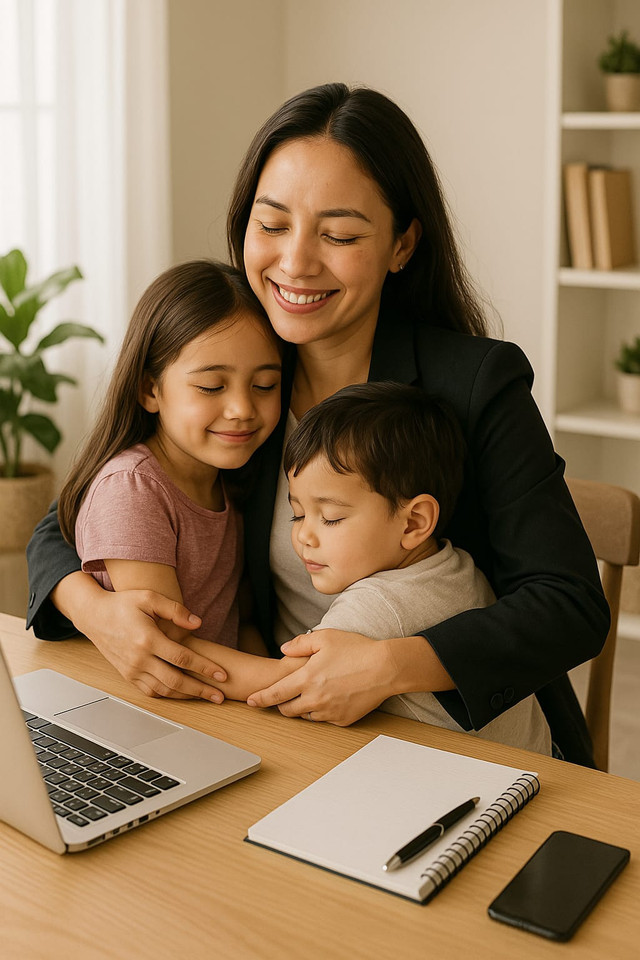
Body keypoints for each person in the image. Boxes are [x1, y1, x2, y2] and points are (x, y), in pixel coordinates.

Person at [27, 83, 608, 765]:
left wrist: (388, 666)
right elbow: (83, 505)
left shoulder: (474, 382)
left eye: (337, 234)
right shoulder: (246, 374)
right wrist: (97, 612)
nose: (296, 262)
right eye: (272, 225)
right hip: (294, 736)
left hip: (461, 747)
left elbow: (569, 605)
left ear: (402, 244)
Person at [56, 259, 303, 701]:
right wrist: (300, 682)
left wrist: (273, 683)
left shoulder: (232, 479)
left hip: (218, 703)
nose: (242, 409)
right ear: (150, 390)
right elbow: (169, 646)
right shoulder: (132, 489)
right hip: (148, 707)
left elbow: (241, 619)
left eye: (265, 385)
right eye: (211, 387)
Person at [282, 381, 552, 754]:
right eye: (296, 515)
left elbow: (290, 682)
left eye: (329, 518)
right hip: (539, 766)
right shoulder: (455, 563)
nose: (303, 537)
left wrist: (186, 651)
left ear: (413, 523)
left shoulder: (378, 604)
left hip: (469, 795)